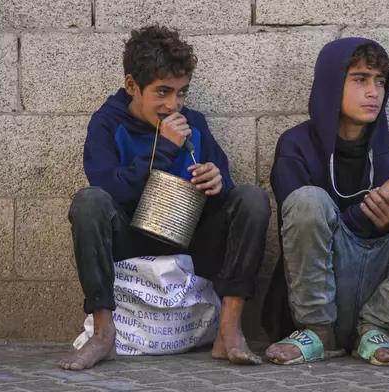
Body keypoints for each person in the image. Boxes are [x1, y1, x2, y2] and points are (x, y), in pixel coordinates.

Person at [60, 25, 270, 370]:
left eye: (181, 93)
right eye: (162, 92)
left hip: (190, 246)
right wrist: (164, 149)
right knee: (88, 201)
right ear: (132, 86)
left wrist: (218, 183)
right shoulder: (107, 124)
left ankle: (229, 330)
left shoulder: (194, 123)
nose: (174, 104)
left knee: (252, 198)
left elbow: (228, 196)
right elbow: (107, 187)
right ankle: (103, 333)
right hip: (131, 242)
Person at [261, 37, 389, 366]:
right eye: (360, 79)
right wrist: (374, 209)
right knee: (307, 201)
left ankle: (377, 329)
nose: (374, 92)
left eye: (380, 81)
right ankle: (317, 333)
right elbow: (299, 227)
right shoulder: (296, 145)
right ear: (332, 85)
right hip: (318, 294)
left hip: (381, 293)